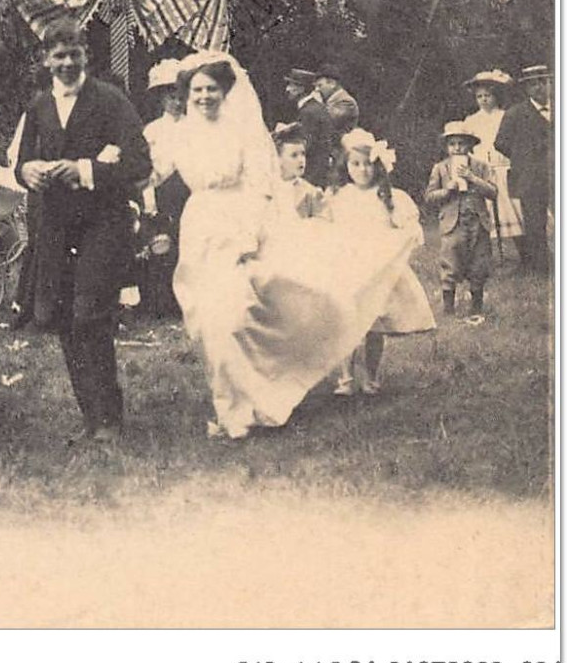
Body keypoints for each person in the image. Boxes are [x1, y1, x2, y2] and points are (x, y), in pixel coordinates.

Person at [169, 57, 419, 437]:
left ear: (224, 92)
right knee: (205, 322)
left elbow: (261, 189)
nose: (204, 96)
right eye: (197, 89)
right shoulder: (182, 132)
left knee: (235, 317)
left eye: (211, 89)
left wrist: (247, 238)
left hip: (240, 229)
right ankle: (234, 404)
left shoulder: (243, 133)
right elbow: (150, 167)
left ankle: (243, 408)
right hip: (199, 229)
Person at [10, 20, 151, 442]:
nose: (67, 63)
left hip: (101, 225)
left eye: (74, 54)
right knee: (66, 320)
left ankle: (109, 417)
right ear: (45, 60)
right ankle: (91, 416)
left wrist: (85, 169)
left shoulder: (110, 101)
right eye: (59, 55)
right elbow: (20, 163)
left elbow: (139, 164)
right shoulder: (37, 107)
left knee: (91, 314)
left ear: (86, 55)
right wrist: (28, 171)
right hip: (54, 227)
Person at [329, 128, 434, 395]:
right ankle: (344, 377)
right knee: (347, 322)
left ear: (378, 166)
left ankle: (371, 377)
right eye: (356, 164)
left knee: (374, 324)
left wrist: (397, 243)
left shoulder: (389, 197)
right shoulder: (339, 196)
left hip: (378, 267)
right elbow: (326, 229)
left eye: (368, 164)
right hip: (348, 266)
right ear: (346, 166)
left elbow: (408, 229)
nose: (363, 170)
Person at [424, 121, 496, 324]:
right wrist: (447, 190)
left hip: (477, 221)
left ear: (470, 145)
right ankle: (448, 308)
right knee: (450, 262)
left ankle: (477, 307)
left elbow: (493, 192)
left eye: (462, 143)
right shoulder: (440, 168)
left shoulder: (480, 166)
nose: (457, 148)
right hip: (452, 223)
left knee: (479, 263)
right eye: (452, 144)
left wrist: (472, 178)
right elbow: (429, 196)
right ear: (446, 147)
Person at [139, 59, 188, 319]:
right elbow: (147, 171)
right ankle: (161, 303)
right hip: (163, 193)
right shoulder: (153, 131)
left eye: (181, 97)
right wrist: (149, 201)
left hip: (189, 194)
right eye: (171, 97)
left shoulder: (196, 127)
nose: (177, 103)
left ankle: (186, 302)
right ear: (161, 99)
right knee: (163, 247)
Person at [495, 64, 553, 274]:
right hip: (531, 177)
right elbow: (500, 143)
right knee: (535, 223)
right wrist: (525, 156)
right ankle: (541, 268)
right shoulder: (515, 114)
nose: (538, 88)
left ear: (550, 83)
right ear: (527, 89)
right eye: (532, 84)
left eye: (542, 82)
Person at [462, 70, 524, 254]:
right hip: (483, 172)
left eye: (487, 95)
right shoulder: (471, 120)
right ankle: (490, 256)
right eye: (479, 96)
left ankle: (524, 252)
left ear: (496, 96)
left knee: (513, 210)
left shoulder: (505, 116)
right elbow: (467, 146)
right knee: (485, 215)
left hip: (504, 167)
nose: (483, 100)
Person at [287, 68, 338, 188]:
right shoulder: (315, 108)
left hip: (312, 175)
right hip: (319, 172)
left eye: (291, 85)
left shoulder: (309, 112)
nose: (287, 89)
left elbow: (307, 145)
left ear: (301, 89)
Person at [271, 122, 326, 221]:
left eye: (303, 154)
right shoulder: (269, 188)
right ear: (278, 158)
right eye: (294, 155)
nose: (301, 160)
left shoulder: (311, 193)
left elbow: (323, 225)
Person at [314, 62, 359, 135]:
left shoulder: (346, 102)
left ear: (332, 84)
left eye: (320, 85)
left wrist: (316, 104)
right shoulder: (330, 101)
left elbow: (326, 122)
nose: (317, 89)